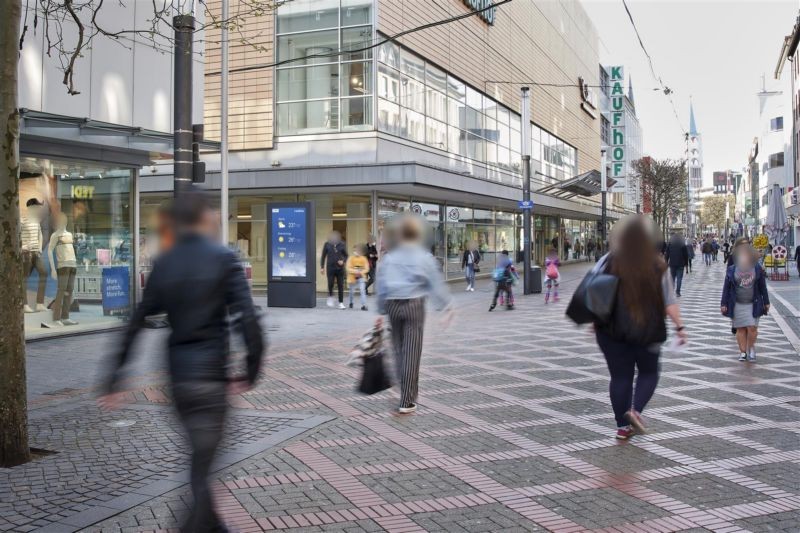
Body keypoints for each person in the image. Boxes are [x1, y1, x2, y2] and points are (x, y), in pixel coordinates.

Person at [99, 189, 265, 532]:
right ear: (205, 218)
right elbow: (248, 319)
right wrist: (251, 369)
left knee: (200, 459)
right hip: (212, 380)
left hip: (179, 381)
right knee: (203, 464)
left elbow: (137, 321)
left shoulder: (166, 262)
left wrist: (114, 377)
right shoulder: (223, 258)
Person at [592, 215, 687, 440]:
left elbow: (594, 296)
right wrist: (680, 327)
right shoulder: (656, 264)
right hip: (648, 329)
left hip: (611, 332)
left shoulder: (606, 261)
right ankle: (635, 410)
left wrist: (595, 321)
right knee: (649, 372)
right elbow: (669, 302)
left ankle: (622, 427)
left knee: (620, 377)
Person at [376, 215, 453, 414]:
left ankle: (402, 385)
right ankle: (407, 400)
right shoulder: (424, 257)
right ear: (417, 235)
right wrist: (445, 306)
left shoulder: (390, 258)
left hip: (392, 303)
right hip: (414, 304)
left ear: (401, 235)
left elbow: (382, 284)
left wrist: (380, 310)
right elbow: (434, 283)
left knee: (398, 349)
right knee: (412, 351)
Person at [721, 245, 770, 362]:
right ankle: (743, 352)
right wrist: (723, 303)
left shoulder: (757, 269)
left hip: (754, 303)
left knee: (752, 328)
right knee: (741, 329)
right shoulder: (732, 270)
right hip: (737, 303)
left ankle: (751, 347)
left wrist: (766, 302)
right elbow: (726, 288)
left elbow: (763, 287)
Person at [321, 231, 348, 309]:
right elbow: (323, 256)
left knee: (340, 285)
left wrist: (343, 261)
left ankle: (341, 303)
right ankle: (330, 296)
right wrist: (322, 267)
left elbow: (346, 256)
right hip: (330, 268)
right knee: (330, 284)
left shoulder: (342, 244)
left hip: (340, 269)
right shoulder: (327, 244)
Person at [346, 244, 370, 310]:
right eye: (355, 250)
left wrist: (360, 272)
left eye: (358, 250)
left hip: (361, 277)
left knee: (362, 291)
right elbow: (348, 268)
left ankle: (364, 305)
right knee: (351, 292)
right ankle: (351, 302)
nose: (356, 251)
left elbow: (367, 268)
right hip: (352, 278)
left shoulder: (364, 258)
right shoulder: (351, 258)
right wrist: (356, 271)